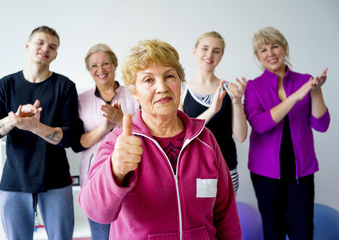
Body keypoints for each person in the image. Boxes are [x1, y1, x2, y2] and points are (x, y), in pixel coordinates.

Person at [78, 39, 241, 239]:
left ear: (180, 83)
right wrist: (115, 171)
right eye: (148, 80)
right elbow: (96, 212)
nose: (162, 87)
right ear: (135, 92)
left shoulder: (205, 139)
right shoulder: (119, 143)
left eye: (169, 76)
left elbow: (225, 214)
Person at [0, 26, 78, 240]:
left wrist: (36, 127)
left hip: (56, 179)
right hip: (15, 180)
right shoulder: (5, 85)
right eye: (40, 42)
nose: (45, 48)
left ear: (56, 54)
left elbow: (71, 136)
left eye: (52, 46)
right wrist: (13, 120)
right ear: (27, 46)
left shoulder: (65, 86)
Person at [243, 27, 330, 240]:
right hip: (265, 172)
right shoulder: (254, 87)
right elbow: (260, 124)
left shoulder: (305, 81)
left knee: (302, 231)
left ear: (285, 49)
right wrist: (294, 98)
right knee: (273, 231)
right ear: (258, 57)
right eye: (263, 50)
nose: (270, 53)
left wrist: (316, 92)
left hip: (301, 170)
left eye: (275, 46)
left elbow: (322, 125)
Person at [71, 43, 139, 239]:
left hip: (131, 174)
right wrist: (105, 127)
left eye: (106, 63)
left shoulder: (134, 94)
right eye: (94, 66)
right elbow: (78, 143)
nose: (100, 70)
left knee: (133, 231)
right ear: (88, 70)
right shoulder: (81, 100)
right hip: (95, 176)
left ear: (115, 65)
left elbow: (149, 135)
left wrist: (121, 120)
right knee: (101, 233)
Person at [179, 31, 247, 195]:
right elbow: (183, 133)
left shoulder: (230, 89)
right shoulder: (181, 90)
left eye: (216, 51)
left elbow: (241, 136)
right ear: (194, 52)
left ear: (221, 56)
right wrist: (212, 110)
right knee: (200, 220)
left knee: (225, 221)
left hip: (226, 168)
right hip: (193, 170)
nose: (210, 54)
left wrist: (237, 103)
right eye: (205, 48)